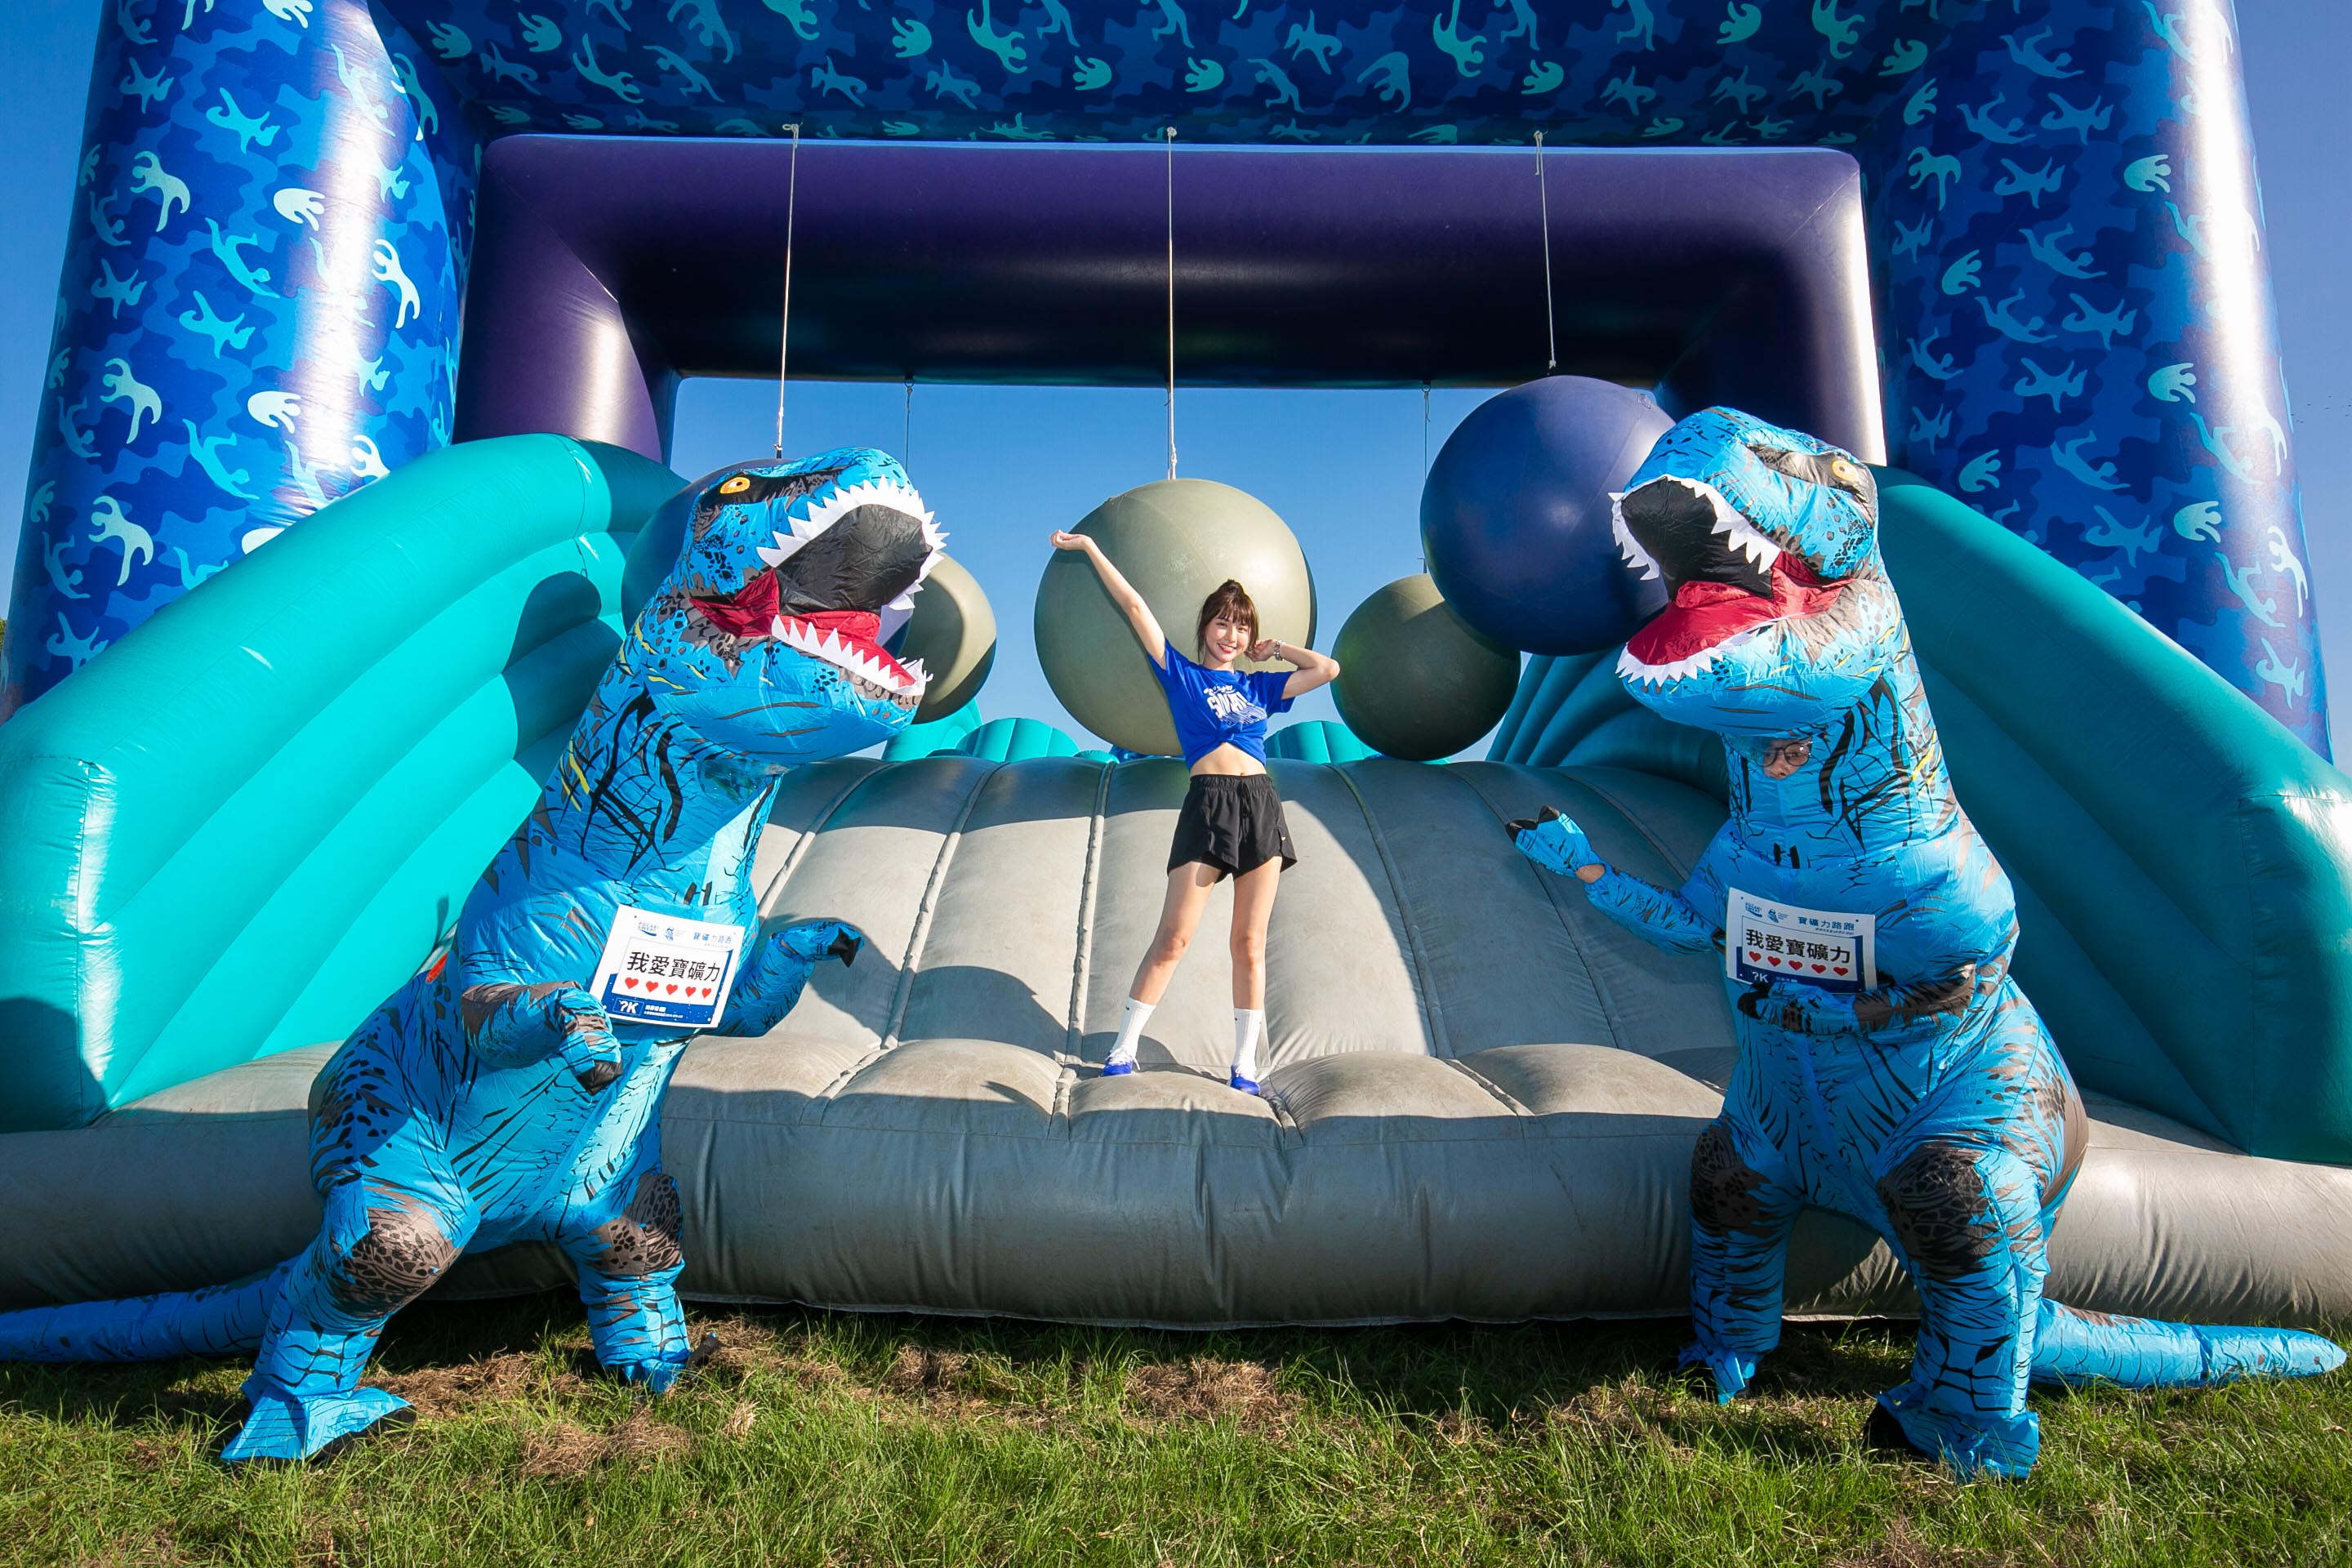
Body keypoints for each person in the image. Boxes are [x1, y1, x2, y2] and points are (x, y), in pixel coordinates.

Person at [1048, 530, 1340, 1093]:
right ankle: (1123, 1047)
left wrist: (1275, 648)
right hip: (1208, 805)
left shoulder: (1261, 688)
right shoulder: (1181, 674)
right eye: (1223, 622)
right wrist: (1089, 549)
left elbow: (1327, 670)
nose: (1232, 635)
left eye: (1242, 625)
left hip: (1260, 806)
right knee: (1174, 936)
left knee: (1250, 943)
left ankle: (1244, 1066)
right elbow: (1134, 606)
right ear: (1205, 626)